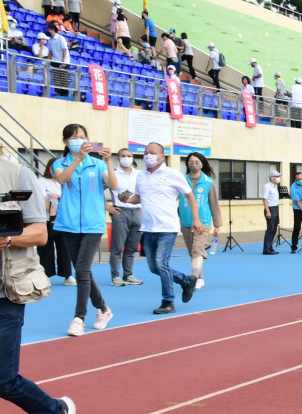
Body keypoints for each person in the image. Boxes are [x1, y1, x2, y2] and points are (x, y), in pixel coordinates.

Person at [0, 101, 80, 414]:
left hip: (1, 293)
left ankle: (55, 413)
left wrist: (6, 239)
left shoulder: (16, 175)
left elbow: (40, 233)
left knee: (0, 379)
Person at [118, 143, 202, 314]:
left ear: (162, 156)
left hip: (167, 227)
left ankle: (168, 301)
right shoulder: (141, 176)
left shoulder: (173, 174)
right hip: (148, 228)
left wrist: (196, 219)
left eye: (152, 153)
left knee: (161, 264)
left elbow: (189, 195)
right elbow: (139, 197)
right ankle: (186, 281)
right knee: (154, 267)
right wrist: (126, 199)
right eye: (146, 153)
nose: (148, 155)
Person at [51, 124, 115, 336]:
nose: (79, 140)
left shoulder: (97, 164)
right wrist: (77, 159)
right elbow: (61, 179)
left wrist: (108, 160)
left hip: (92, 224)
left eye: (82, 136)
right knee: (82, 270)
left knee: (81, 270)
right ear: (66, 142)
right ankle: (104, 309)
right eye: (74, 137)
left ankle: (79, 317)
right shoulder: (59, 164)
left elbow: (113, 186)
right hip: (68, 223)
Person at [179, 152, 221, 287]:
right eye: (191, 162)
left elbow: (214, 204)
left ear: (202, 164)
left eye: (197, 162)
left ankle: (192, 280)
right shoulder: (181, 180)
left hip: (202, 223)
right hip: (185, 221)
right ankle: (200, 278)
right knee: (193, 253)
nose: (194, 164)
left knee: (197, 251)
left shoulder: (208, 182)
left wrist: (217, 225)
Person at [106, 147, 144, 287]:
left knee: (132, 247)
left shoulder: (139, 174)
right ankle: (115, 276)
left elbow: (145, 191)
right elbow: (96, 190)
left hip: (137, 212)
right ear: (118, 158)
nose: (126, 158)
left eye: (129, 156)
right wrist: (108, 206)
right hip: (120, 212)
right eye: (123, 156)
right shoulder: (112, 173)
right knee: (117, 246)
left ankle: (128, 274)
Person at [36, 158, 71, 282]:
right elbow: (42, 198)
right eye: (52, 166)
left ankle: (67, 274)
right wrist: (52, 214)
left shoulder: (66, 183)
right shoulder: (41, 181)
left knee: (64, 248)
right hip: (46, 219)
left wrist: (59, 198)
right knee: (45, 248)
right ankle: (46, 275)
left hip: (63, 220)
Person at [261, 169, 281, 255]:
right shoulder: (267, 186)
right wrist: (268, 211)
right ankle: (266, 248)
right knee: (270, 229)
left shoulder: (275, 186)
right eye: (277, 177)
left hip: (276, 208)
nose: (279, 178)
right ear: (272, 178)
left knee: (274, 228)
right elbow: (265, 199)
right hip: (270, 208)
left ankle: (270, 246)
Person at [46, 24, 69, 98]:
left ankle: (65, 94)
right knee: (56, 77)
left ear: (53, 30)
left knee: (64, 78)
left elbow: (64, 49)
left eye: (49, 30)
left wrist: (64, 61)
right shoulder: (50, 40)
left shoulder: (61, 38)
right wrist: (48, 61)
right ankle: (57, 92)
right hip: (55, 60)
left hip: (62, 60)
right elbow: (50, 51)